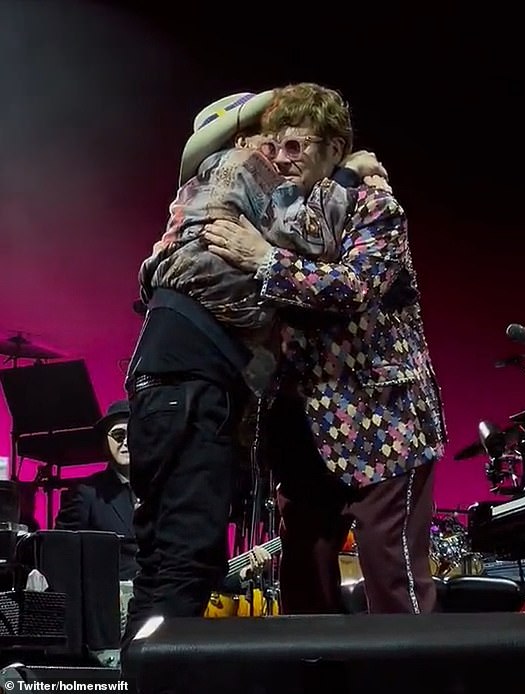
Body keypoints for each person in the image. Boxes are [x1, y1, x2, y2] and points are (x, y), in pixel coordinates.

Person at [123, 89, 384, 646]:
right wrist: (346, 175)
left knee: (167, 554)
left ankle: (139, 669)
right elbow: (315, 238)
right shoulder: (243, 164)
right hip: (191, 378)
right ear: (241, 135)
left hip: (176, 376)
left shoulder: (216, 178)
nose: (282, 149)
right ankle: (159, 678)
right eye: (273, 133)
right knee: (187, 555)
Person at [205, 82, 448, 615]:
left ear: (335, 148)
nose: (283, 159)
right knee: (304, 574)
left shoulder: (374, 203)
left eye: (298, 146)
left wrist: (265, 261)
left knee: (391, 573)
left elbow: (355, 287)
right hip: (301, 421)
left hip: (382, 419)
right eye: (275, 146)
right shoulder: (272, 211)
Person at [56, 400, 138, 581]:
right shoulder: (86, 493)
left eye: (132, 434)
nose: (126, 442)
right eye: (118, 435)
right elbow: (60, 550)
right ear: (104, 444)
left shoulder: (162, 489)